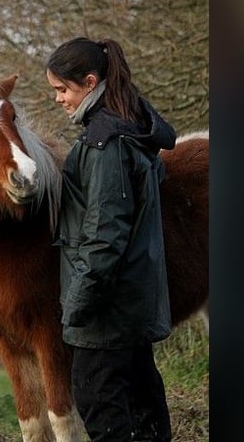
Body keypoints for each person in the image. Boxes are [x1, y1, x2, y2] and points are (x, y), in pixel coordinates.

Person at [46, 37, 176, 442]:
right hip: (131, 302)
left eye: (62, 89)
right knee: (144, 406)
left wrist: (76, 305)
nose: (58, 99)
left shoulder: (105, 143)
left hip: (107, 311)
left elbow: (104, 236)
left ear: (89, 82)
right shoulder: (133, 129)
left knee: (103, 411)